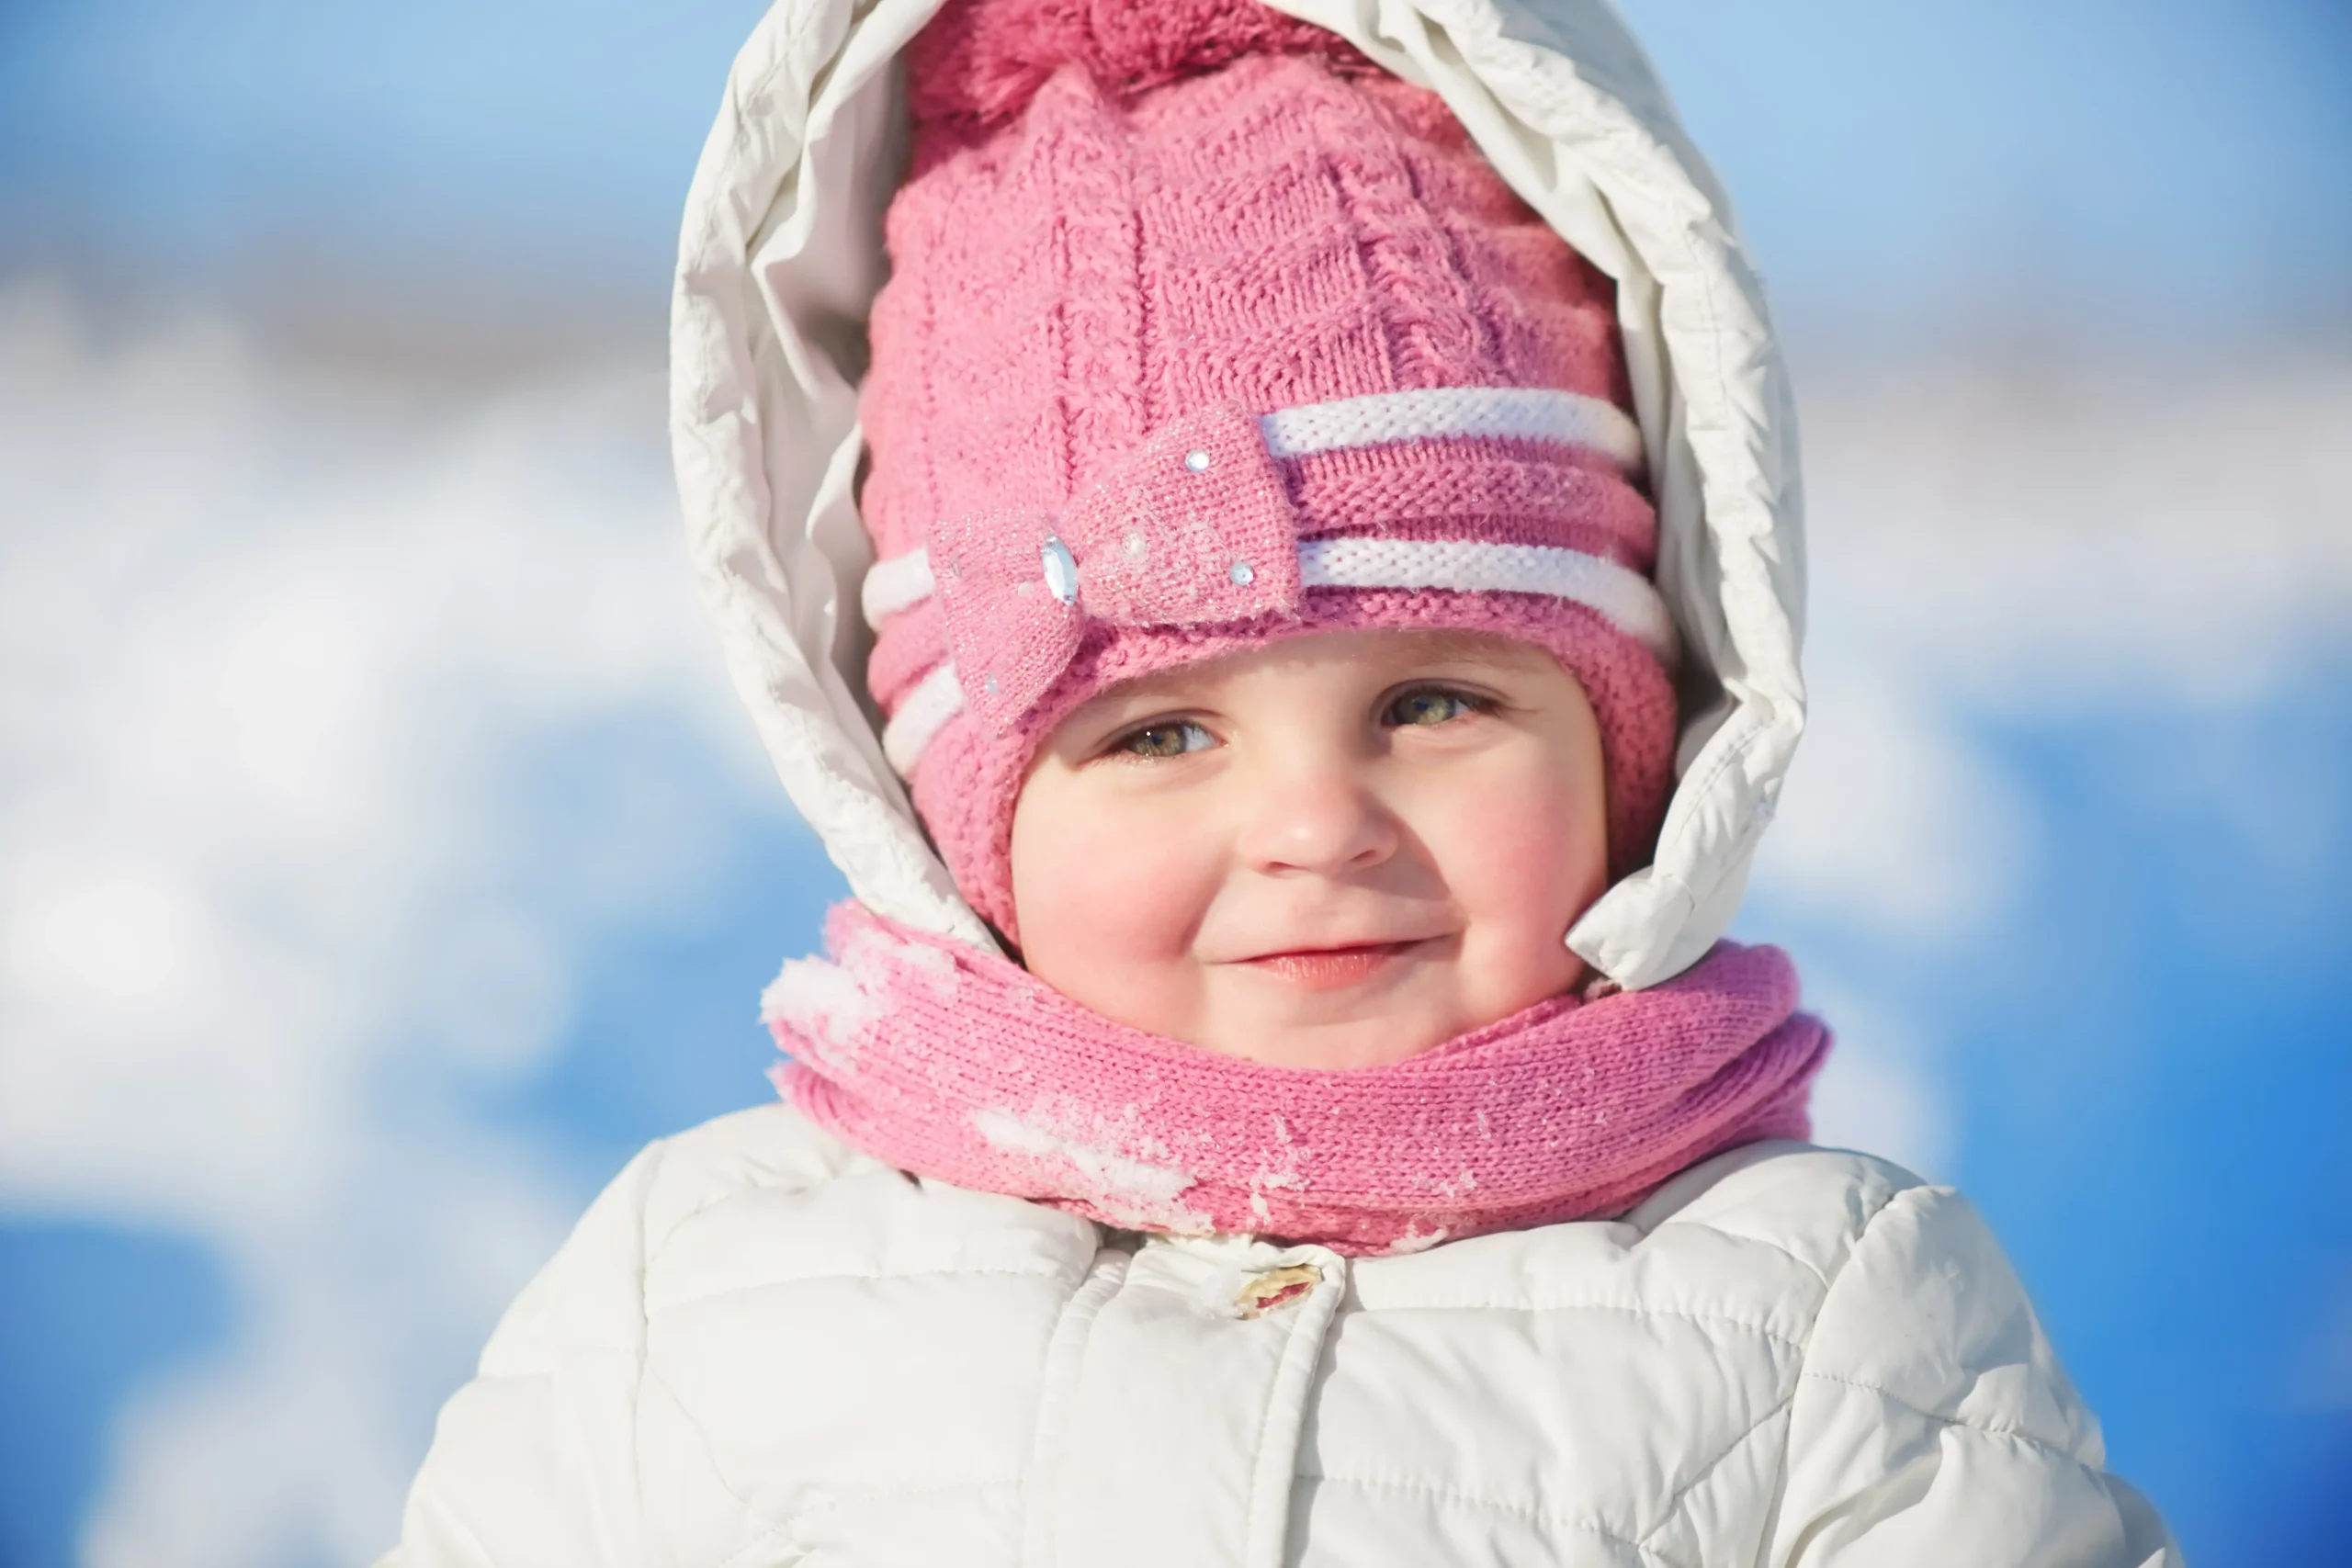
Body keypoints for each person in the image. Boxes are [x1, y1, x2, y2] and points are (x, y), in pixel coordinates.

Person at [383, 0, 2180, 1562]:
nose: (1314, 824)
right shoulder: (689, 1306)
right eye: (1160, 733)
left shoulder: (1826, 1327)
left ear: (1629, 745)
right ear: (960, 817)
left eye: (1430, 702)